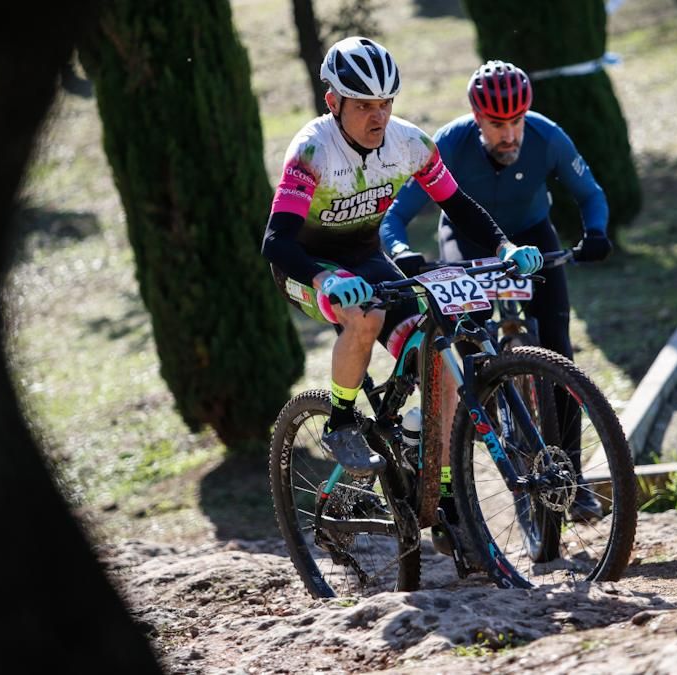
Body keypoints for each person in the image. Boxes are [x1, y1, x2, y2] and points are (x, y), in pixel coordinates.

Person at [262, 38, 542, 478]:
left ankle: (430, 462)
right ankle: (340, 423)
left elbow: (458, 205)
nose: (379, 117)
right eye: (364, 105)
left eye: (386, 103)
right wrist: (324, 281)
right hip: (308, 265)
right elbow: (276, 242)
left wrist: (504, 246)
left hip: (365, 257)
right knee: (365, 316)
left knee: (437, 340)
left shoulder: (410, 143)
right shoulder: (311, 150)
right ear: (333, 101)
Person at [380, 60, 613, 529]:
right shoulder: (447, 143)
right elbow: (394, 217)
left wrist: (596, 232)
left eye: (516, 122)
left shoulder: (547, 137)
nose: (508, 135)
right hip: (467, 243)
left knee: (559, 351)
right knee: (470, 351)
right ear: (475, 116)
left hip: (532, 238)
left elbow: (590, 193)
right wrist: (402, 249)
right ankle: (470, 454)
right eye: (495, 124)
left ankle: (574, 477)